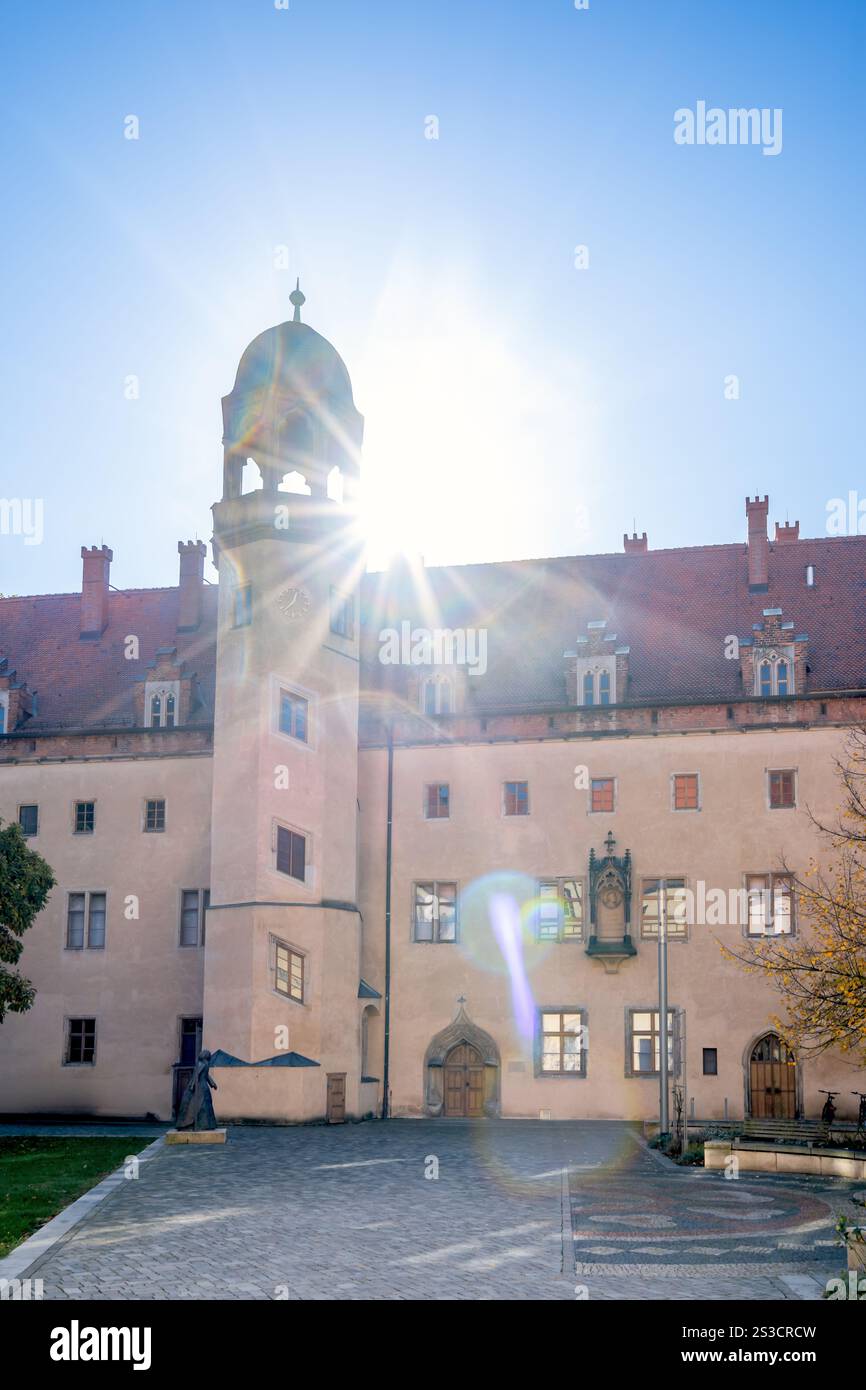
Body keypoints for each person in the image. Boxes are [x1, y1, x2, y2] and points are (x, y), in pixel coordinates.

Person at [175, 1049, 218, 1130]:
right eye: (209, 1054)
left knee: (205, 1106)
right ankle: (194, 1124)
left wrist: (213, 1084)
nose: (210, 1056)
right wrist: (192, 1086)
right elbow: (196, 1075)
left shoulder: (205, 1063)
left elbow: (206, 1075)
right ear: (206, 1056)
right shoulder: (201, 1064)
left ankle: (205, 1125)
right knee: (199, 1105)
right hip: (200, 1087)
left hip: (202, 1087)